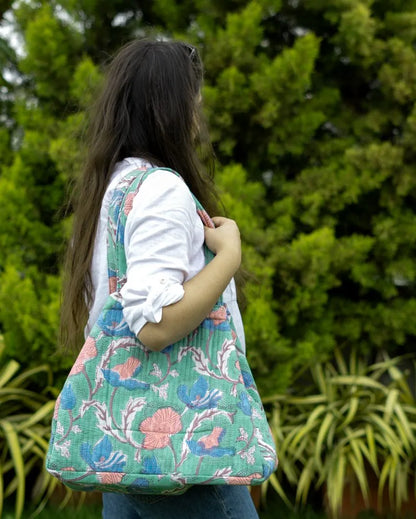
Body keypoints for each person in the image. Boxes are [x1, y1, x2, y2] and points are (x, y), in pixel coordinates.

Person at [60, 39, 259, 519]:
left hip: (129, 448)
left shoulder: (110, 192)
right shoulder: (160, 190)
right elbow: (157, 325)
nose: (198, 116)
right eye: (194, 102)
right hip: (185, 453)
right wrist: (228, 257)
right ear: (170, 107)